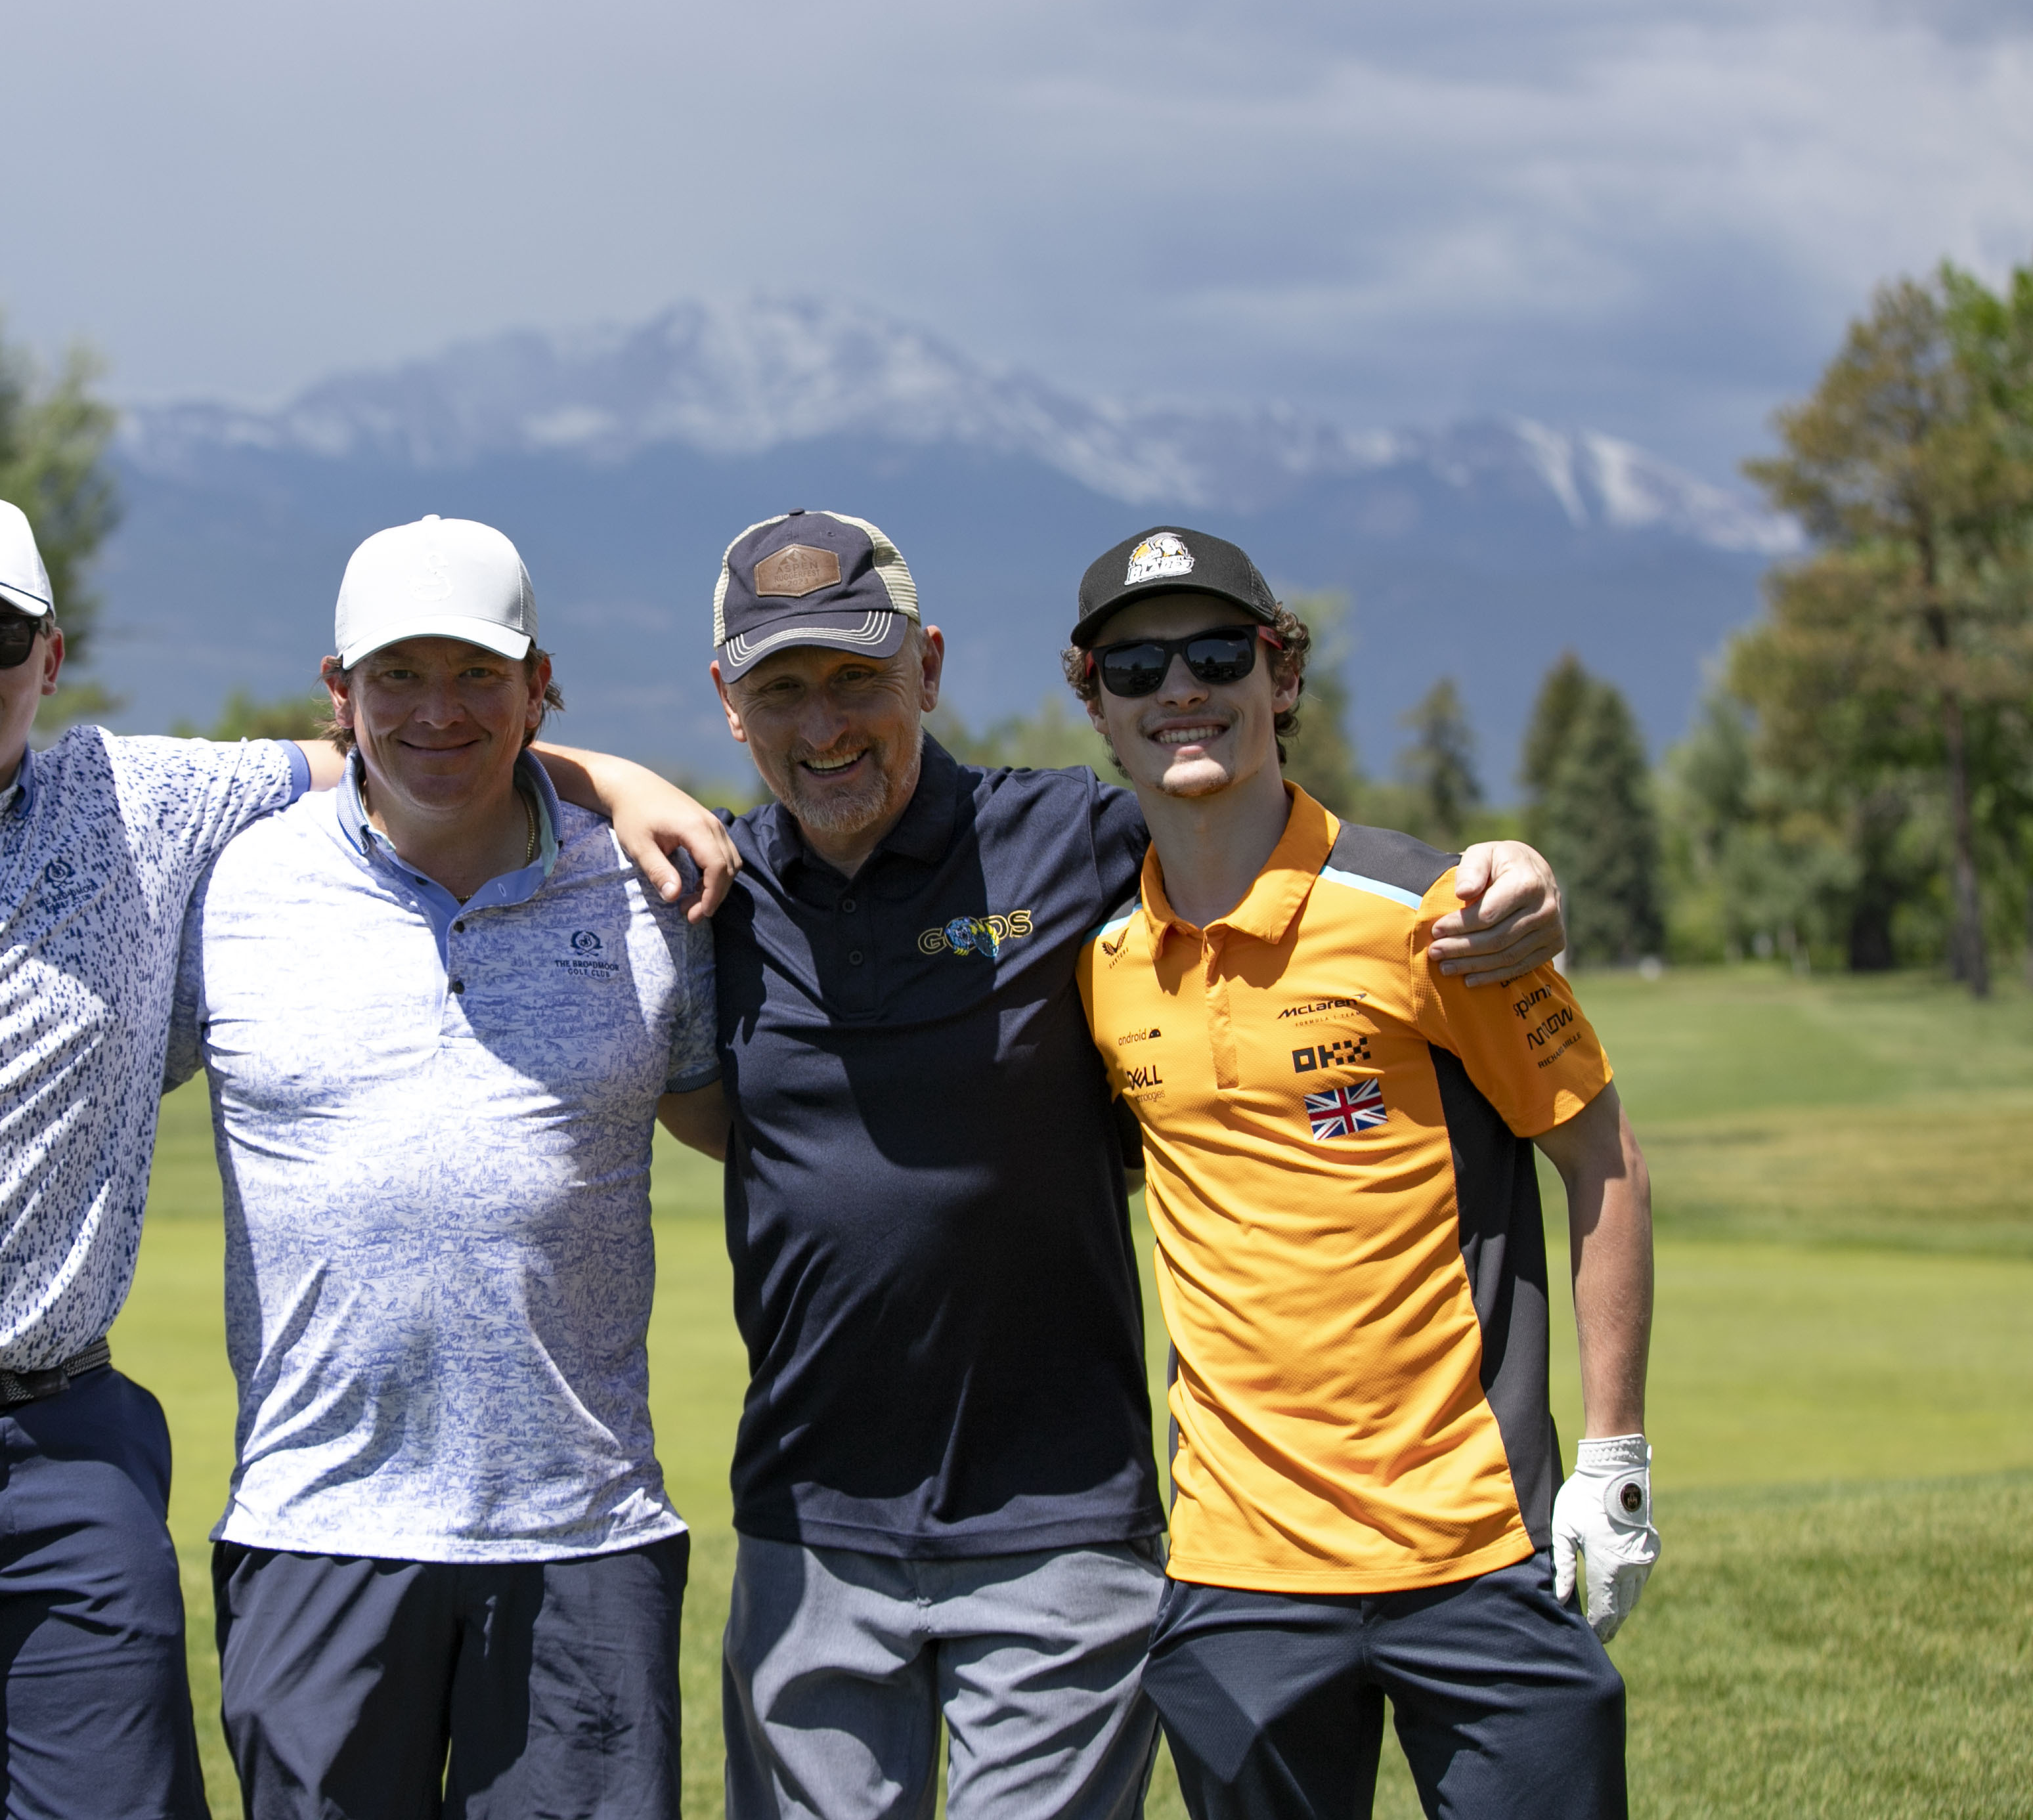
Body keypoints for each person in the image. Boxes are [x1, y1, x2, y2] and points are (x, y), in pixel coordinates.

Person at [0, 489, 737, 1820]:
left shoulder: (142, 804)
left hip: (69, 1452)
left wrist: (619, 777)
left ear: (49, 657)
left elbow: (414, 748)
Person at [695, 511, 1568, 1820]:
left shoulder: (1074, 841)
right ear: (729, 704)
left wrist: (1503, 872)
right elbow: (498, 792)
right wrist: (620, 786)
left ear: (927, 669)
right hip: (806, 1526)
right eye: (782, 691)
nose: (825, 726)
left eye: (858, 679)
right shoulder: (704, 890)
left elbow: (1265, 836)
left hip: (1063, 1529)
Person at [1063, 525, 1657, 1820]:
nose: (1179, 690)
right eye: (1137, 668)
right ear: (1095, 703)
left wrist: (1616, 1459)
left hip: (1476, 1544)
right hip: (1239, 1571)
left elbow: (1603, 1157)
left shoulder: (1436, 915)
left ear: (1282, 675)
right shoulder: (1100, 961)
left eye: (1218, 655)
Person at [167, 514, 733, 1817]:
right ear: (340, 691)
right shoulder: (234, 890)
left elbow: (739, 1124)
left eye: (479, 672)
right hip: (313, 1529)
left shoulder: (647, 890)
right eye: (400, 676)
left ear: (540, 687)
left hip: (583, 1534)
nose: (439, 711)